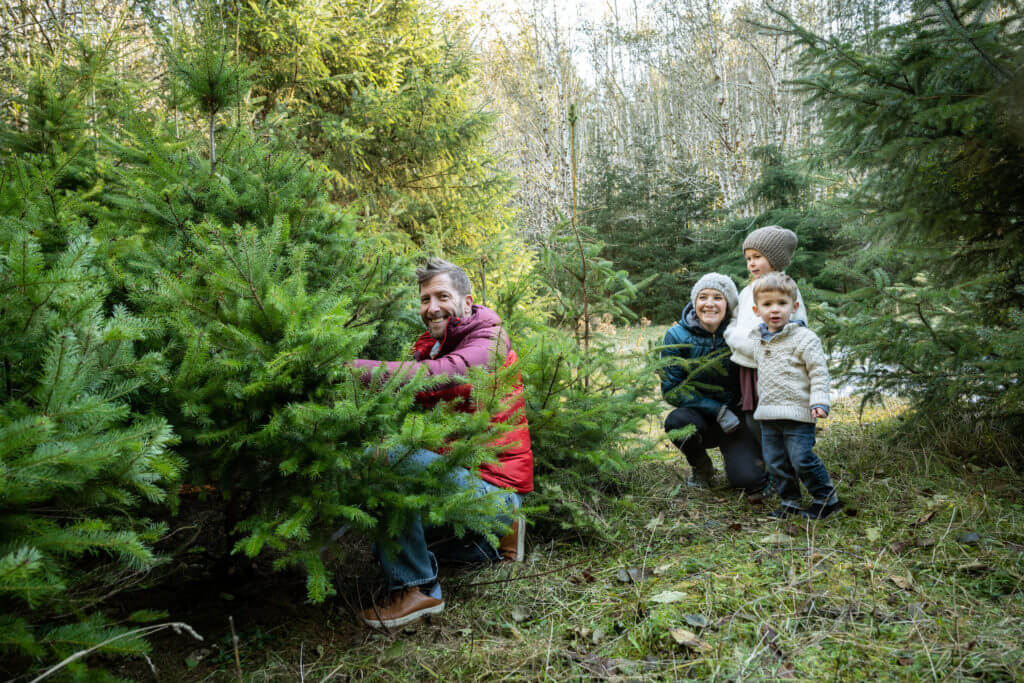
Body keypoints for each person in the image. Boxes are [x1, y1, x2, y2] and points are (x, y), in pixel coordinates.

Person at [348, 258, 533, 628]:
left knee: (386, 459)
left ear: (467, 302)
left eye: (442, 296)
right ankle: (492, 540)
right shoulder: (428, 346)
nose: (431, 307)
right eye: (424, 299)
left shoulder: (489, 342)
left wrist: (348, 369)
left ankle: (419, 590)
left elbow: (441, 376)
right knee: (384, 547)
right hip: (461, 482)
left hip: (492, 486)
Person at [742, 273, 841, 520]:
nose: (774, 310)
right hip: (769, 414)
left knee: (801, 459)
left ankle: (827, 499)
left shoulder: (805, 339)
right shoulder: (757, 339)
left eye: (781, 303)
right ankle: (791, 501)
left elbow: (819, 372)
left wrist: (819, 400)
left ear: (794, 307)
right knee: (775, 462)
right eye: (767, 304)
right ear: (756, 309)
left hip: (799, 413)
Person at [661, 273, 767, 492]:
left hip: (736, 421)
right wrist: (717, 410)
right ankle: (702, 467)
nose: (709, 304)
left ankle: (755, 461)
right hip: (699, 417)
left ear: (728, 304)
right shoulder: (676, 335)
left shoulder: (740, 333)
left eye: (717, 297)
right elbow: (671, 389)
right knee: (676, 422)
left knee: (749, 482)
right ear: (694, 302)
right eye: (703, 297)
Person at [724, 226, 807, 445]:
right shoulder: (747, 291)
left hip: (774, 369)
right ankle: (767, 464)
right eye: (748, 258)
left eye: (757, 257)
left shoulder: (786, 289)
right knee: (753, 418)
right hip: (748, 367)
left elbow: (799, 326)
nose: (751, 263)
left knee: (776, 418)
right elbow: (736, 319)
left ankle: (784, 465)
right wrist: (732, 334)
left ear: (774, 259)